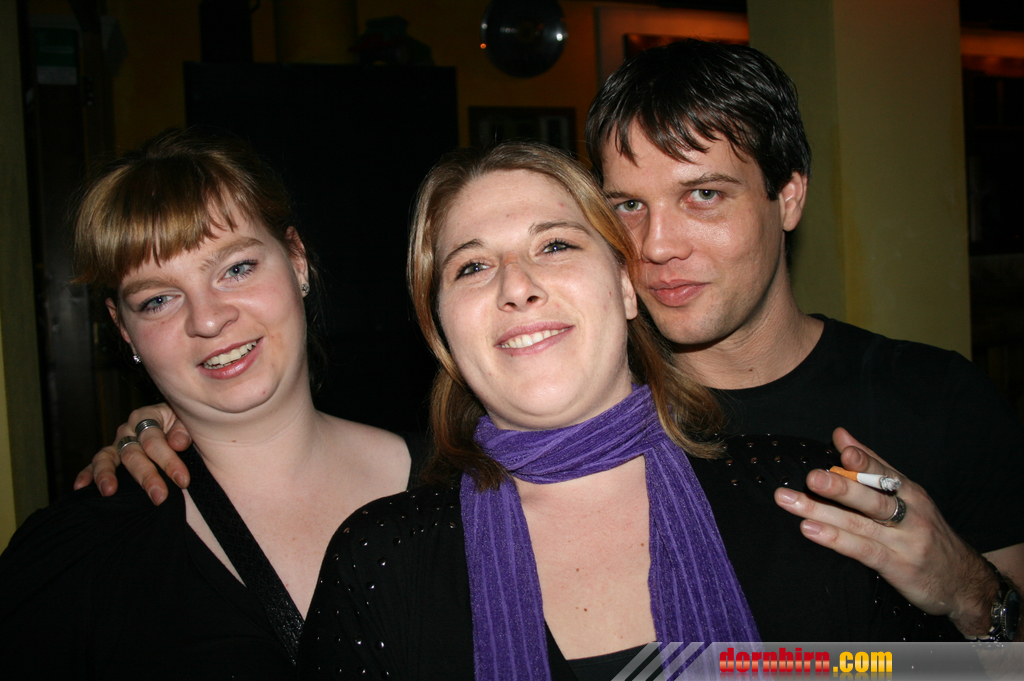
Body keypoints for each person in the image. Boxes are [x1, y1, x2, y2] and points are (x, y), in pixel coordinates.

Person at [295, 142, 960, 681]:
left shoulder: (804, 502)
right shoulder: (382, 562)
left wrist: (975, 598)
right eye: (472, 266)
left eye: (555, 245)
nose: (517, 287)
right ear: (442, 329)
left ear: (624, 286)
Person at [584, 39, 1024, 642]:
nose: (656, 245)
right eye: (629, 205)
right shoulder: (587, 422)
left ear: (788, 198)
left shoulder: (939, 400)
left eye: (704, 195)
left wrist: (967, 588)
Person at [0, 129, 414, 678]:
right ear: (123, 329)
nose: (209, 319)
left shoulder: (468, 482)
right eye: (158, 300)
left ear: (297, 260)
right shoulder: (80, 555)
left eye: (236, 269)